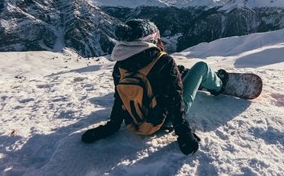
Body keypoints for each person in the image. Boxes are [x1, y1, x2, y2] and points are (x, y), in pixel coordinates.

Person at [81, 19, 228, 155]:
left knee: (176, 74)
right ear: (151, 39)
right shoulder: (163, 61)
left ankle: (182, 75)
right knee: (201, 67)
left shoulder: (120, 65)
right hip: (166, 119)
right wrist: (183, 133)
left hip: (134, 122)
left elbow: (120, 98)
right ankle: (219, 86)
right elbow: (175, 98)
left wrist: (112, 126)